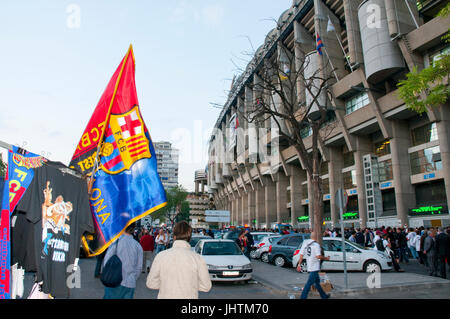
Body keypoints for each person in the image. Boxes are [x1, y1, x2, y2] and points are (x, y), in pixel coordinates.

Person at [146, 221, 212, 299]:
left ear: (174, 236)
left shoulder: (161, 256)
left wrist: (166, 284)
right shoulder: (197, 258)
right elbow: (206, 286)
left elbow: (151, 283)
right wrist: (190, 285)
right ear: (189, 237)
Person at [103, 222, 143, 299]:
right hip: (129, 283)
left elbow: (106, 261)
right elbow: (139, 267)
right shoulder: (137, 246)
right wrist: (132, 278)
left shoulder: (115, 242)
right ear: (133, 229)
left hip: (113, 281)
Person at [296, 232, 330, 299]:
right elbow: (318, 256)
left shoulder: (306, 243)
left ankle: (324, 296)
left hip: (310, 266)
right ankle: (303, 297)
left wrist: (299, 264)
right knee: (309, 283)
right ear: (316, 237)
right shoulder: (316, 245)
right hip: (314, 267)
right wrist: (326, 258)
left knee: (317, 283)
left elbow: (301, 255)